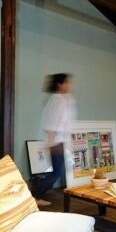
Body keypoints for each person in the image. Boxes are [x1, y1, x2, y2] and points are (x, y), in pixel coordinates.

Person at [35, 73, 76, 206]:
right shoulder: (58, 100)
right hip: (56, 141)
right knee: (56, 173)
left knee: (56, 171)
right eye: (66, 82)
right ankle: (36, 197)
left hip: (59, 141)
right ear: (60, 84)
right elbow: (53, 122)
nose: (69, 85)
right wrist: (52, 141)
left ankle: (36, 195)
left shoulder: (61, 99)